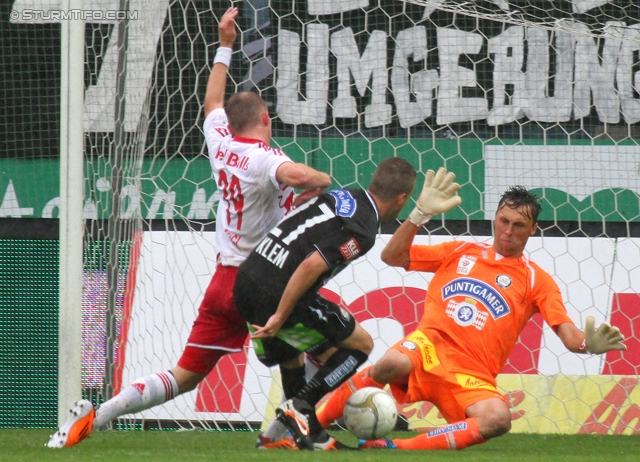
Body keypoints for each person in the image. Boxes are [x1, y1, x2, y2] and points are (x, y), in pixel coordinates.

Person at [47, 7, 331, 449]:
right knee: (332, 347)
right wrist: (324, 182)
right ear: (267, 121)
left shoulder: (220, 142)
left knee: (184, 376)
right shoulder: (265, 160)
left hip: (222, 282)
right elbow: (301, 178)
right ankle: (294, 431)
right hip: (262, 280)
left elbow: (212, 103)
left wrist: (225, 45)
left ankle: (97, 415)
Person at [315, 184, 627, 451]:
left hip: (472, 375)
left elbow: (569, 335)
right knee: (391, 363)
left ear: (533, 229)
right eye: (503, 221)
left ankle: (393, 446)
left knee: (498, 419)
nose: (508, 231)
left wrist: (589, 344)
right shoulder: (459, 250)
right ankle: (311, 423)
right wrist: (418, 215)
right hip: (429, 349)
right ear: (495, 219)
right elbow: (392, 256)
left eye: (518, 225)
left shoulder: (537, 281)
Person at [234, 160, 462, 450]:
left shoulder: (346, 196)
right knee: (360, 344)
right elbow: (309, 266)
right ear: (402, 198)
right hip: (276, 291)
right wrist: (280, 314)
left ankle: (281, 437)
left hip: (248, 278)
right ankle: (302, 408)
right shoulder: (363, 230)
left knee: (294, 354)